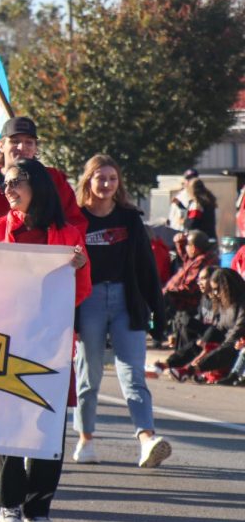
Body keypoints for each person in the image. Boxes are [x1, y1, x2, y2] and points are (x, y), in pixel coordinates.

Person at [0, 157, 90, 522]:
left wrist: (75, 269)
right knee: (7, 423)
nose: (8, 190)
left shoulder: (69, 235)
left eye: (16, 182)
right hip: (6, 343)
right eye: (5, 184)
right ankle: (10, 502)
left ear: (37, 186)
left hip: (51, 344)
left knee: (48, 425)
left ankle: (38, 505)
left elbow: (83, 290)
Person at [71, 154, 172, 469]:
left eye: (112, 179)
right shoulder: (75, 218)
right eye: (100, 178)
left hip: (127, 301)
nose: (106, 184)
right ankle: (86, 439)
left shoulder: (129, 219)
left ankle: (146, 438)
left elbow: (146, 268)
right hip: (89, 299)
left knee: (133, 373)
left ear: (119, 183)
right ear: (88, 180)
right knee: (90, 373)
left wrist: (158, 313)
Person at [0, 117, 85, 241]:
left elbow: (75, 225)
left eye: (29, 142)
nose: (22, 147)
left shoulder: (55, 181)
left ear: (36, 148)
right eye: (15, 141)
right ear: (1, 145)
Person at [182, 268, 245, 383]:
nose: (215, 293)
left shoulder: (242, 302)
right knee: (208, 334)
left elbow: (238, 330)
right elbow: (219, 327)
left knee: (231, 346)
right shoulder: (224, 301)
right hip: (231, 341)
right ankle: (175, 363)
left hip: (236, 343)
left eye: (217, 290)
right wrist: (205, 344)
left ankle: (194, 369)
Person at [162, 230, 218, 351]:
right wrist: (179, 242)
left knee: (186, 342)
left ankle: (185, 365)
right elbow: (185, 256)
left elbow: (189, 288)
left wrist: (168, 291)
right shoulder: (195, 257)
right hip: (184, 307)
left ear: (193, 248)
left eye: (187, 245)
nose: (185, 248)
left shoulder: (201, 261)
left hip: (190, 308)